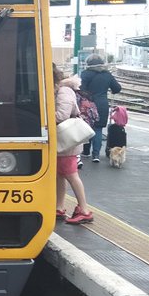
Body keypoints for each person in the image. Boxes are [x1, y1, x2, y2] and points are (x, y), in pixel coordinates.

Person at [54, 63, 93, 225]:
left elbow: (61, 115)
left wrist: (42, 118)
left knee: (70, 174)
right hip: (63, 141)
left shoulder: (64, 91)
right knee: (61, 174)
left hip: (67, 141)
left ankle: (84, 210)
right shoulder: (62, 90)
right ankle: (59, 207)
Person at [78, 54, 122, 163]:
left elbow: (80, 89)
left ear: (88, 64)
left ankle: (86, 152)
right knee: (98, 129)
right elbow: (117, 89)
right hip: (102, 104)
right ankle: (96, 155)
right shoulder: (107, 75)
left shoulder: (85, 74)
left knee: (86, 128)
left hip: (87, 104)